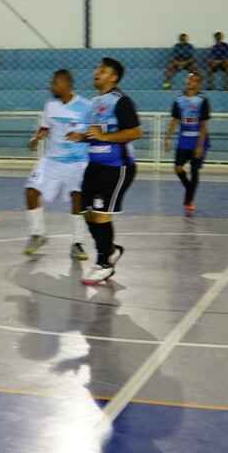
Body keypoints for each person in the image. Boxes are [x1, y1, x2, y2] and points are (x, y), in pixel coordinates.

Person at [68, 58, 141, 286]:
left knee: (100, 214)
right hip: (95, 165)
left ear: (114, 77)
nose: (96, 72)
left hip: (116, 167)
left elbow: (135, 132)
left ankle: (104, 264)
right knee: (86, 212)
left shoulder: (121, 101)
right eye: (96, 68)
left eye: (103, 70)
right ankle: (110, 250)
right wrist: (82, 137)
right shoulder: (95, 102)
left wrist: (104, 137)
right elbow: (97, 134)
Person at [23, 69, 93, 259]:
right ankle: (38, 234)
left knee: (78, 197)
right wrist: (36, 137)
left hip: (77, 162)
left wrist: (82, 137)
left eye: (55, 83)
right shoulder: (50, 105)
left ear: (66, 84)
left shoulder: (86, 106)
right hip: (52, 160)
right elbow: (45, 127)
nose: (51, 86)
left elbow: (96, 134)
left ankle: (77, 242)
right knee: (31, 191)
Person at [164, 72, 210, 216]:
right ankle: (190, 189)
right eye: (189, 79)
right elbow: (174, 121)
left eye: (194, 80)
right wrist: (167, 138)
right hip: (184, 139)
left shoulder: (202, 100)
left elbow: (203, 125)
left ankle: (189, 200)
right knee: (178, 168)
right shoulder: (179, 100)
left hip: (198, 139)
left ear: (199, 83)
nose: (191, 82)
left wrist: (200, 145)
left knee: (194, 171)